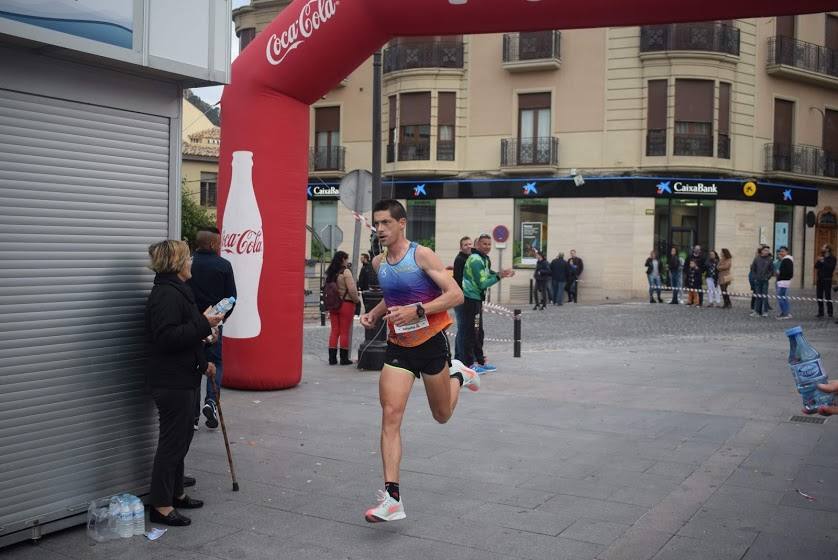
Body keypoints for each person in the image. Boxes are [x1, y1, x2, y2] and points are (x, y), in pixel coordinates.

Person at [359, 200, 480, 523]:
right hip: (398, 348)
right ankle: (392, 498)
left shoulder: (421, 255)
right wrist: (374, 313)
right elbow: (392, 294)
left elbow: (456, 295)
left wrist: (419, 310)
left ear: (402, 224)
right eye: (376, 224)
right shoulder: (378, 263)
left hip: (430, 344)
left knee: (441, 415)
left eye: (386, 223)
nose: (380, 229)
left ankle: (459, 376)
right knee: (390, 415)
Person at [145, 240, 223, 526]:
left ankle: (176, 494)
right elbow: (166, 337)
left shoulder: (177, 290)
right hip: (172, 381)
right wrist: (203, 324)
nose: (191, 261)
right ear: (176, 263)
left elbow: (185, 334)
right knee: (172, 443)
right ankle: (161, 505)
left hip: (184, 376)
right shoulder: (166, 294)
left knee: (181, 441)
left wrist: (204, 352)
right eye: (187, 258)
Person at [187, 227, 237, 430]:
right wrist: (220, 320)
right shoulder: (223, 265)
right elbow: (232, 298)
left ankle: (192, 417)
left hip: (190, 325)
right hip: (214, 324)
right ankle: (211, 402)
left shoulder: (188, 263)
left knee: (191, 367)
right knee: (215, 362)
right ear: (213, 244)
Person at [462, 234, 514, 373]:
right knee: (472, 332)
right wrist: (499, 276)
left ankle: (479, 361)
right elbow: (483, 282)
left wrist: (501, 273)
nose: (487, 247)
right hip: (471, 300)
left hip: (476, 300)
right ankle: (469, 364)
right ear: (477, 245)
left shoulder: (483, 259)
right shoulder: (476, 260)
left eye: (489, 244)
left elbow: (488, 274)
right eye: (484, 244)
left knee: (478, 331)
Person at [326, 251, 360, 365]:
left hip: (333, 305)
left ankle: (332, 358)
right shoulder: (345, 272)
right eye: (346, 259)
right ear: (342, 260)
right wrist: (357, 300)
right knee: (344, 331)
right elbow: (352, 290)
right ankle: (344, 359)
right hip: (346, 304)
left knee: (334, 331)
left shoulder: (331, 272)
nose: (347, 261)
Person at [452, 236, 473, 361]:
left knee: (464, 328)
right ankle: (460, 358)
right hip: (462, 298)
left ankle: (459, 356)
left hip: (467, 298)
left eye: (470, 244)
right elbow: (459, 280)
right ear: (461, 247)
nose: (469, 246)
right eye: (466, 244)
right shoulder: (460, 259)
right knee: (463, 328)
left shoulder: (470, 258)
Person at [750, 245, 774, 317]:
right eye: (765, 250)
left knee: (764, 296)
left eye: (768, 250)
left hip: (765, 280)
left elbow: (771, 270)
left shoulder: (769, 260)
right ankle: (757, 311)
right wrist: (755, 277)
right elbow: (753, 268)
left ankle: (765, 311)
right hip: (757, 280)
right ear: (762, 251)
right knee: (758, 296)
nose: (767, 252)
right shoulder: (757, 259)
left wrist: (767, 277)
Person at [815, 244, 835, 319]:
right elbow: (816, 266)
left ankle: (830, 312)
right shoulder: (822, 256)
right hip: (820, 279)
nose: (821, 248)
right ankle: (821, 312)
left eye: (823, 247)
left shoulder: (832, 258)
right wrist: (819, 261)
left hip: (827, 279)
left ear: (827, 249)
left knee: (827, 296)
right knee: (819, 296)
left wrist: (823, 261)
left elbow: (830, 268)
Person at [776, 246, 794, 320]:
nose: (781, 253)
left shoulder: (787, 260)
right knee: (783, 298)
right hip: (783, 281)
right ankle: (785, 312)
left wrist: (780, 273)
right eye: (780, 251)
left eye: (783, 251)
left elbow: (789, 272)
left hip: (784, 281)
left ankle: (785, 313)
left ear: (787, 252)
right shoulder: (785, 259)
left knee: (781, 298)